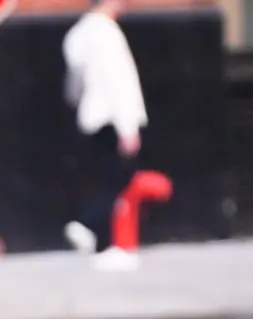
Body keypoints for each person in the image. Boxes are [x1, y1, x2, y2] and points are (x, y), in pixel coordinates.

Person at [62, 0, 148, 270]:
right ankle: (93, 229)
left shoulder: (78, 34)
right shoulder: (108, 35)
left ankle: (98, 237)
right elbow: (119, 83)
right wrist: (128, 127)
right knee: (118, 178)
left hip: (91, 116)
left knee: (105, 178)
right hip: (112, 117)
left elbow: (73, 81)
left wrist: (78, 102)